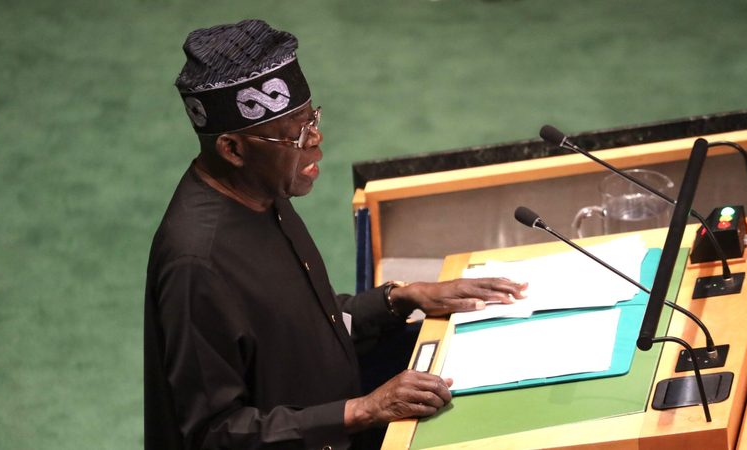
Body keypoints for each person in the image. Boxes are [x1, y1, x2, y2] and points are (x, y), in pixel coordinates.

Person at [144, 19, 527, 450]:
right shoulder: (196, 264)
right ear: (233, 149)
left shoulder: (262, 189)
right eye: (296, 136)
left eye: (313, 120)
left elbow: (298, 325)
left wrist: (399, 298)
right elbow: (212, 434)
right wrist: (364, 409)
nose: (317, 139)